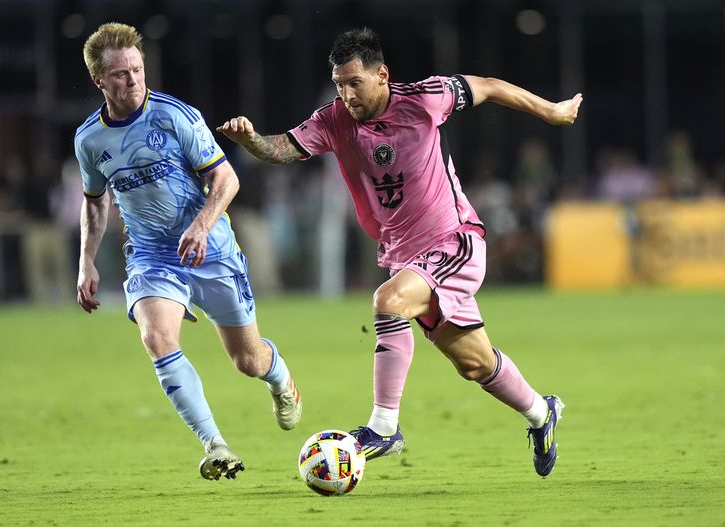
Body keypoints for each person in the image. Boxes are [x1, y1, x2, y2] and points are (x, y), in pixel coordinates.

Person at [218, 27, 582, 477]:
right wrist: (251, 140)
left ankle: (383, 427)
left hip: (454, 241)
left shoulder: (426, 98)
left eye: (354, 83)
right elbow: (283, 149)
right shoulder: (333, 120)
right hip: (405, 256)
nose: (346, 93)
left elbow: (488, 86)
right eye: (338, 84)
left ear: (382, 75)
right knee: (475, 363)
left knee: (387, 302)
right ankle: (542, 414)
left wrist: (552, 111)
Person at [74, 22, 302, 481]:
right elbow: (95, 202)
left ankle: (280, 380)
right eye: (120, 75)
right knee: (156, 337)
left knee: (247, 361)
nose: (133, 80)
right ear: (99, 80)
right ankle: (215, 444)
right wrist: (86, 261)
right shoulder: (89, 140)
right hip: (151, 256)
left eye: (137, 69)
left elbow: (226, 178)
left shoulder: (175, 116)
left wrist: (200, 226)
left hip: (210, 248)